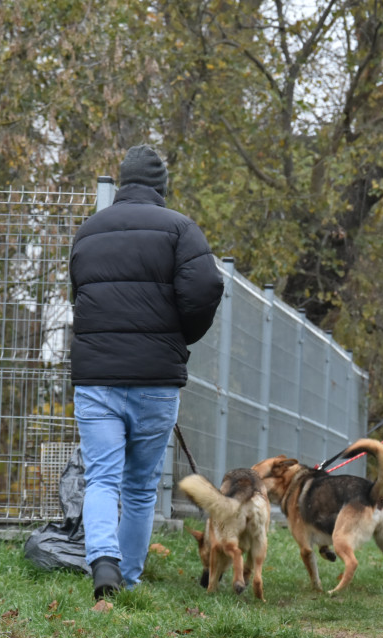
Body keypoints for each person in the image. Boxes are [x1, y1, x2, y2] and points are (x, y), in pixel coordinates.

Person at [69, 144, 224, 600]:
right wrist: (181, 335)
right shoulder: (180, 228)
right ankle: (129, 577)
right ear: (160, 187)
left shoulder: (88, 231)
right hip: (156, 379)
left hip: (97, 377)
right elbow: (208, 285)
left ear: (121, 182)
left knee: (101, 478)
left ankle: (103, 563)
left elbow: (80, 293)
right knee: (139, 487)